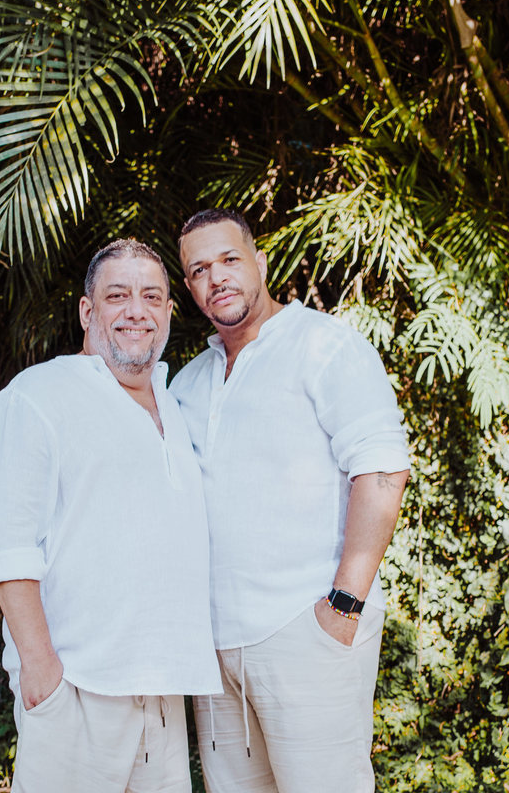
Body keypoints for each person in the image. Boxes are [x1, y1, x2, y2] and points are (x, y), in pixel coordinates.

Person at [170, 209, 411, 793]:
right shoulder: (188, 383)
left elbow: (382, 470)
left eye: (229, 259)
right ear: (189, 288)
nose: (217, 277)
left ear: (260, 262)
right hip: (217, 652)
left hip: (306, 630)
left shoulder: (324, 346)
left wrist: (342, 607)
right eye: (199, 269)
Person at [0, 238, 221, 793]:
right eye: (117, 295)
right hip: (77, 689)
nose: (137, 310)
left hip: (163, 692)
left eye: (151, 297)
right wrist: (43, 671)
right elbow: (7, 545)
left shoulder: (173, 402)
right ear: (87, 311)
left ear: (168, 312)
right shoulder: (39, 394)